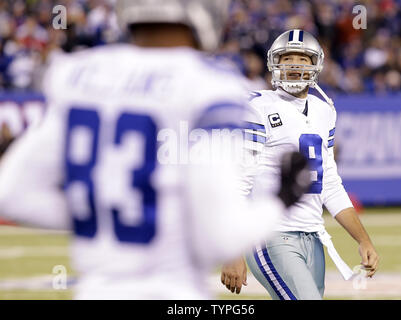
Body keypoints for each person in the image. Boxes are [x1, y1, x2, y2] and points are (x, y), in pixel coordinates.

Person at [0, 2, 310, 299]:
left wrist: (109, 208)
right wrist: (281, 200)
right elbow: (220, 237)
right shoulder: (210, 85)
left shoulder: (81, 74)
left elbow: (11, 193)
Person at [220, 29, 379, 300]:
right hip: (269, 234)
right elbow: (237, 183)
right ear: (274, 63)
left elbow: (329, 182)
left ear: (315, 64)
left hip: (312, 236)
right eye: (287, 58)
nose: (294, 65)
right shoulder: (258, 107)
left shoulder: (324, 110)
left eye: (302, 58)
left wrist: (363, 239)